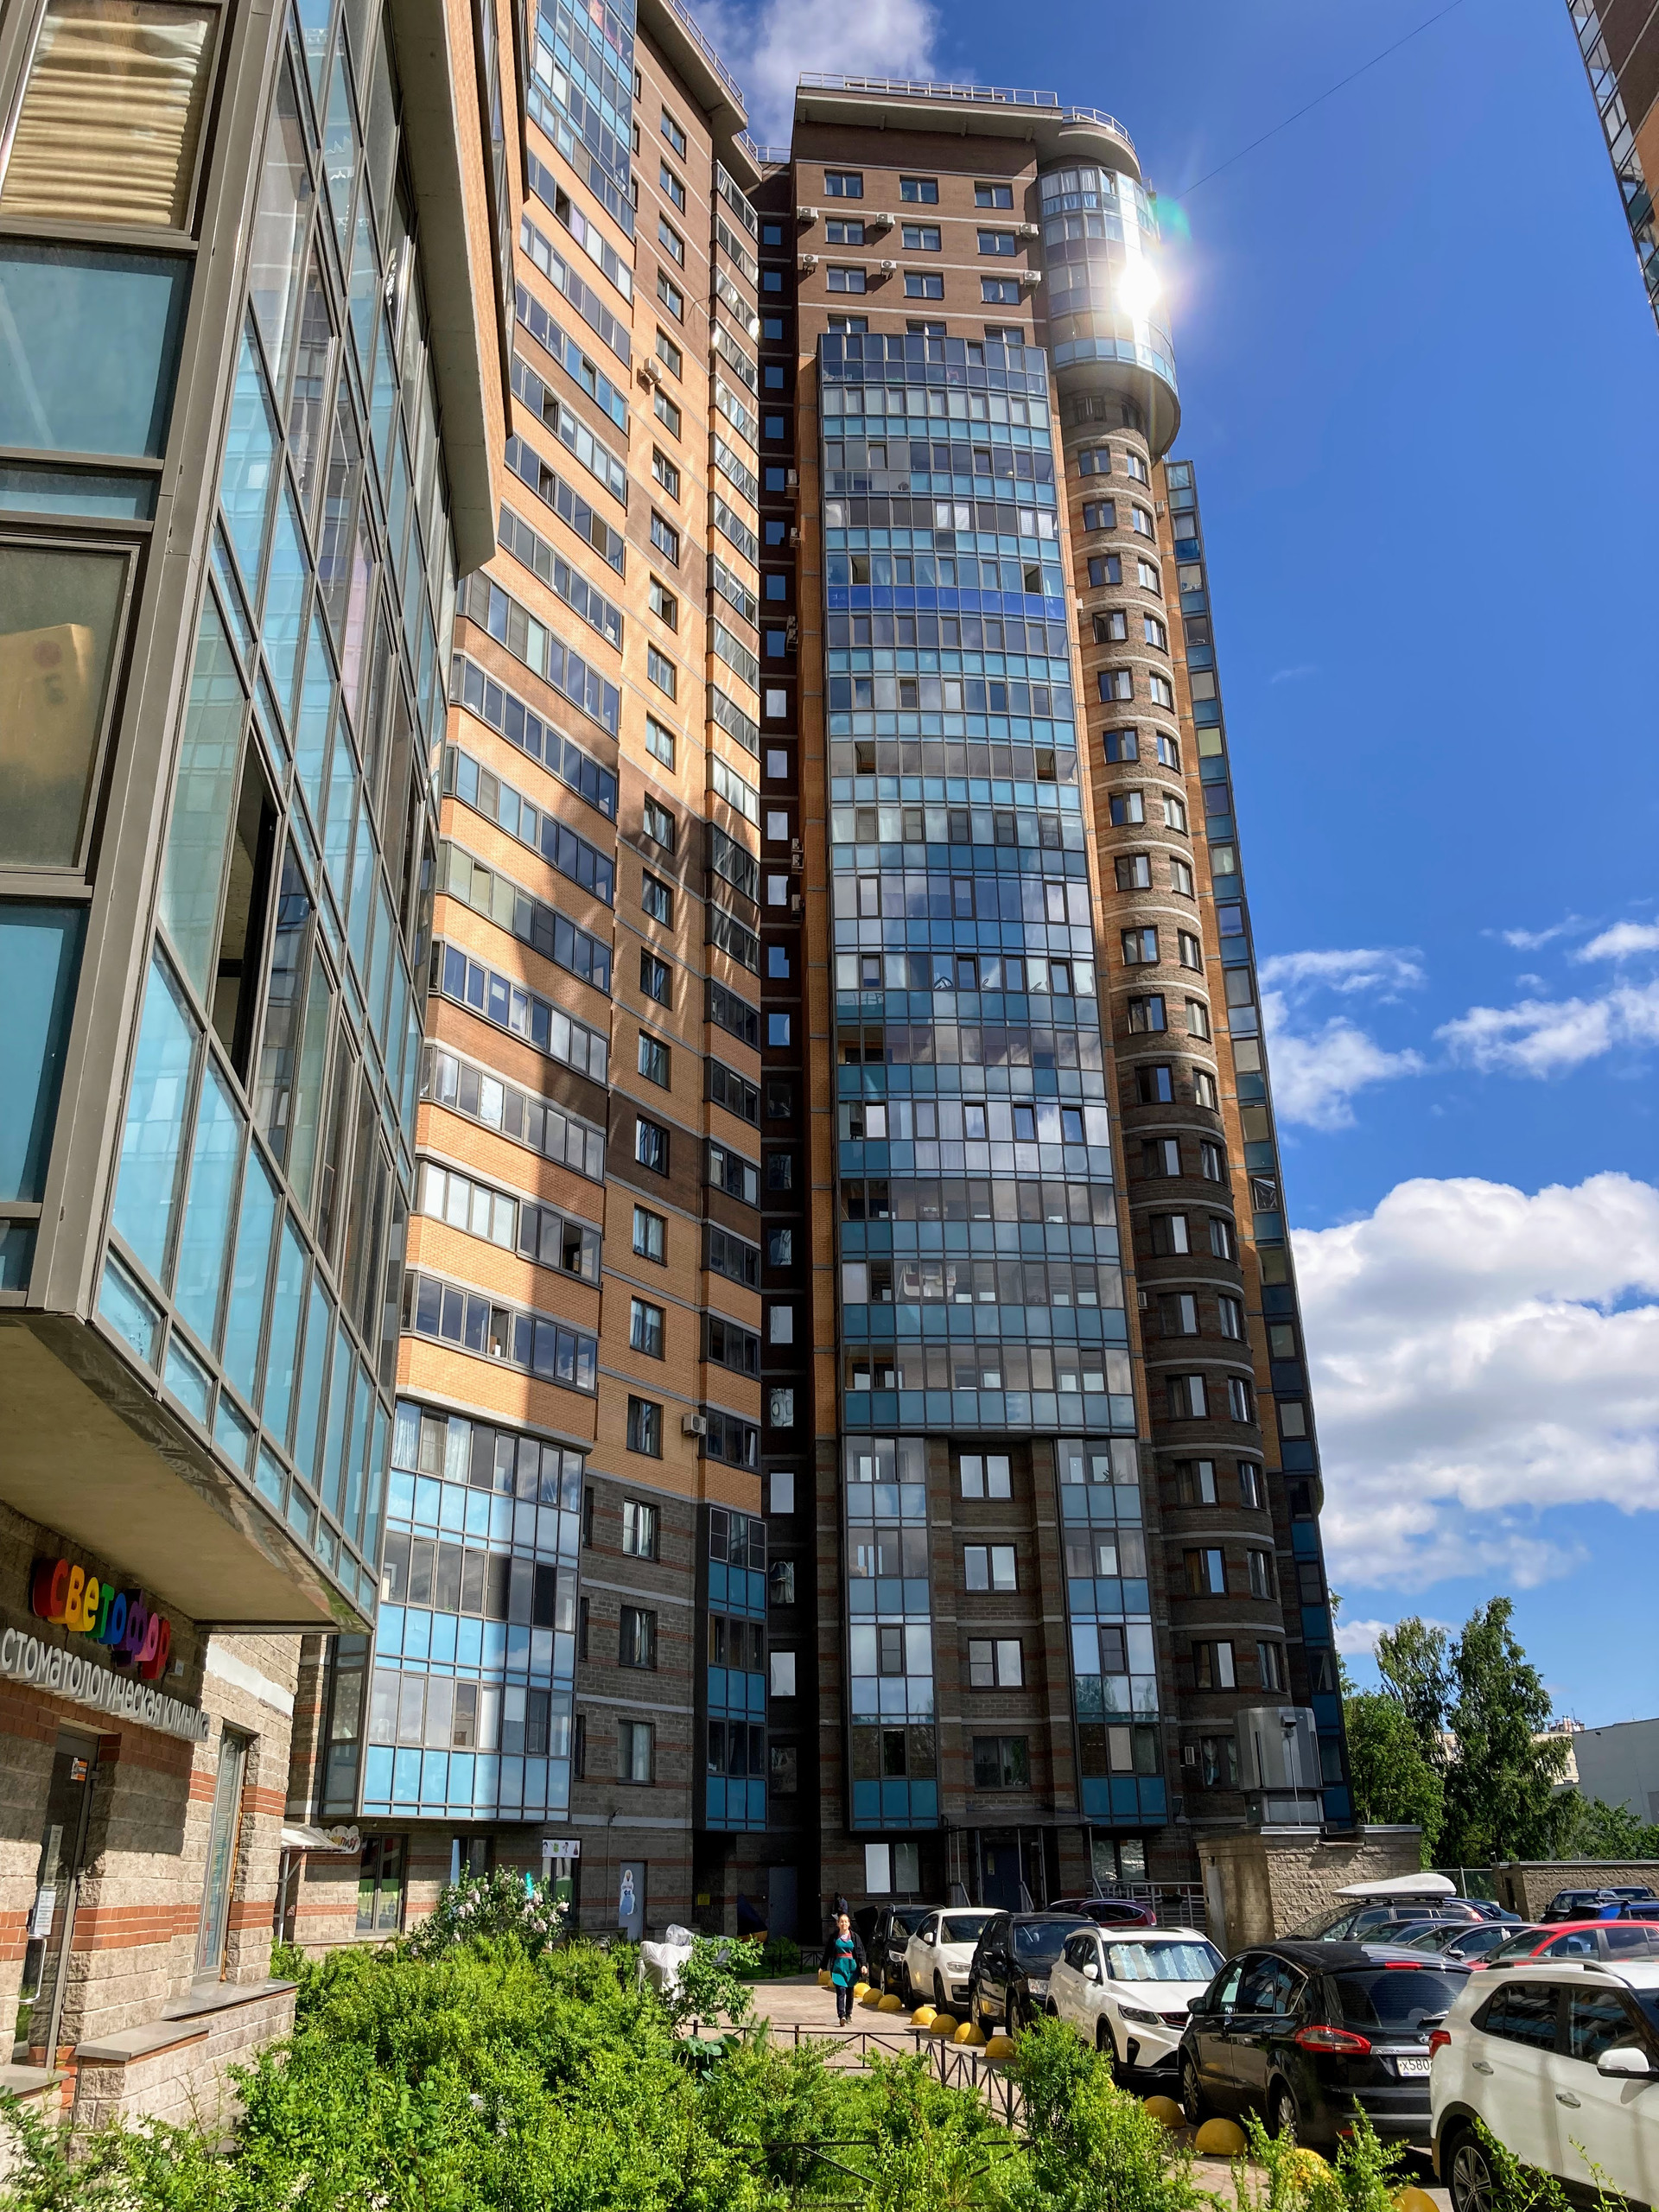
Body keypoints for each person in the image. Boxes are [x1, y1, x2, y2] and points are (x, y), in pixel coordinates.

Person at [820, 1910, 867, 2024]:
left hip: (851, 1968)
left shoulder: (855, 1937)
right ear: (837, 1923)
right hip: (839, 1967)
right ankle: (841, 2015)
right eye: (841, 1922)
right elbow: (828, 1952)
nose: (843, 1924)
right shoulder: (834, 1937)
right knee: (841, 1991)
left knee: (850, 1991)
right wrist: (822, 1966)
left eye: (846, 1922)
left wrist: (863, 1965)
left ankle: (848, 2013)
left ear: (849, 1923)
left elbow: (861, 1952)